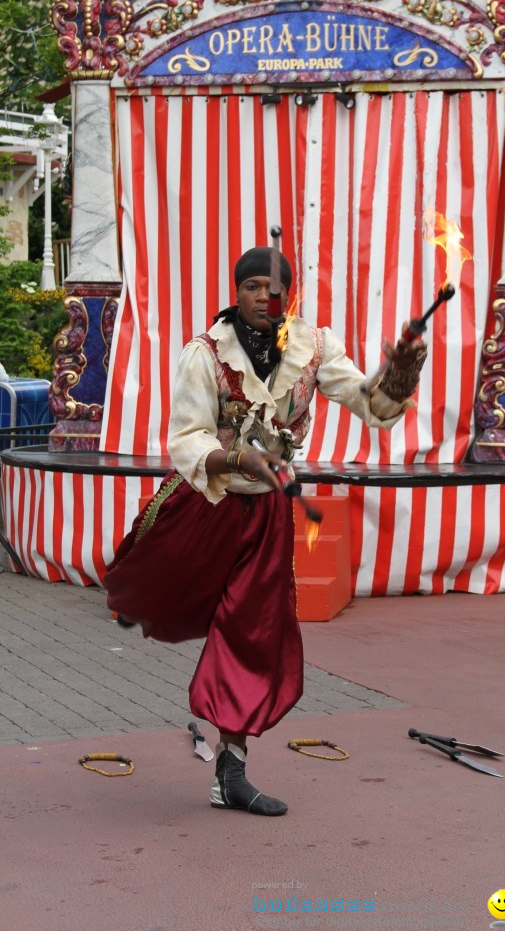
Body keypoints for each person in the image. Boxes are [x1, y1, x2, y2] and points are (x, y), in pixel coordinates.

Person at [105, 246, 426, 816]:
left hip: (266, 515)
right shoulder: (205, 354)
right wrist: (239, 461)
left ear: (289, 295)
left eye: (273, 288)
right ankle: (135, 601)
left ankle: (230, 770)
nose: (263, 297)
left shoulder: (313, 349)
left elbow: (372, 405)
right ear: (237, 292)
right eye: (251, 286)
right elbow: (186, 438)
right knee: (147, 590)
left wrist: (401, 370)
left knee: (251, 630)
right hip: (207, 501)